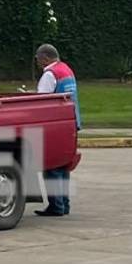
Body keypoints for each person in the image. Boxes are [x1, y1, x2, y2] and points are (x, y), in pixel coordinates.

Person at [33, 44, 80, 217]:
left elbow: (41, 100)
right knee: (63, 165)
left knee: (51, 165)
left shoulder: (50, 74)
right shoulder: (66, 70)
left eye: (38, 59)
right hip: (70, 122)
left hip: (54, 125)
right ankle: (64, 204)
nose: (37, 62)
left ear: (45, 58)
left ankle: (56, 206)